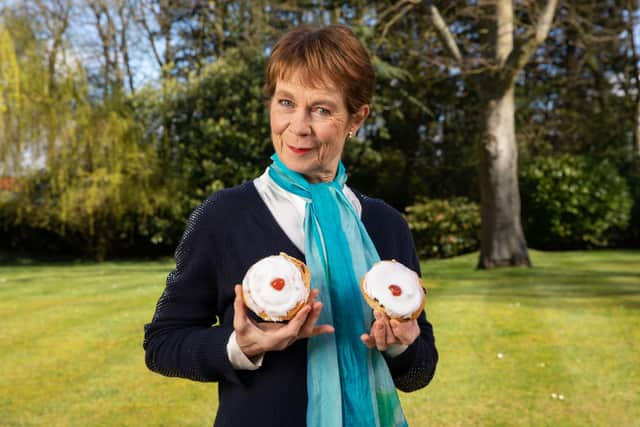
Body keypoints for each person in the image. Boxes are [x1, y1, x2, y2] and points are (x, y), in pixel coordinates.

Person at [143, 24, 438, 427]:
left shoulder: (386, 225)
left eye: (321, 109)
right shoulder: (222, 215)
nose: (298, 127)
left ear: (357, 118)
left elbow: (421, 370)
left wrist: (403, 346)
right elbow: (160, 344)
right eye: (286, 102)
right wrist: (238, 346)